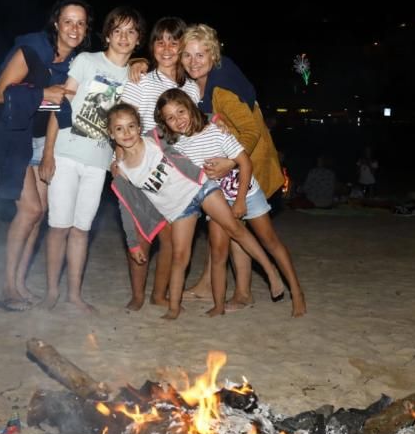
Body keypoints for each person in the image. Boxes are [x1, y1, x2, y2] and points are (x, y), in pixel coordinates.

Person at [107, 103, 286, 320]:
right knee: (180, 257)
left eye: (131, 126)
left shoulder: (154, 137)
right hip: (179, 209)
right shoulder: (120, 170)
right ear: (111, 133)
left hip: (200, 187)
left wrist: (216, 117)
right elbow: (126, 208)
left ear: (139, 127)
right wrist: (133, 243)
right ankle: (173, 308)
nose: (126, 133)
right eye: (119, 129)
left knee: (235, 229)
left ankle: (270, 271)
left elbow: (188, 120)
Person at [156, 89, 305, 317]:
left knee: (270, 241)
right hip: (216, 199)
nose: (178, 120)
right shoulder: (178, 145)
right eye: (170, 117)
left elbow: (245, 164)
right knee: (217, 252)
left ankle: (296, 292)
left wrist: (241, 201)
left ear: (190, 108)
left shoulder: (215, 131)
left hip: (245, 192)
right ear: (165, 122)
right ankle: (218, 304)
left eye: (181, 112)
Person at [0, 0, 92, 311]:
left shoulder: (75, 63)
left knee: (40, 212)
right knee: (30, 210)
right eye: (68, 21)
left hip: (41, 139)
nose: (74, 28)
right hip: (13, 135)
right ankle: (7, 286)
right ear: (57, 24)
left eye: (81, 23)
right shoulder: (32, 50)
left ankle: (20, 283)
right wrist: (42, 92)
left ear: (86, 29)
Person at [39, 6, 144, 313]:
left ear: (138, 39)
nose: (123, 37)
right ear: (107, 34)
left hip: (98, 162)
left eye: (131, 32)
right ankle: (51, 293)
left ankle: (74, 294)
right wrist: (48, 153)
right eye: (118, 30)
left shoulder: (136, 78)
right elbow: (61, 105)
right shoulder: (86, 61)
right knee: (58, 226)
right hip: (66, 154)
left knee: (81, 229)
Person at [180, 24, 284, 307]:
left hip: (246, 162)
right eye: (187, 55)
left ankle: (243, 293)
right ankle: (209, 285)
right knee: (224, 226)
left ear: (213, 55)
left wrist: (230, 162)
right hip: (230, 163)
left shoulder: (223, 84)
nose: (193, 61)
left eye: (200, 55)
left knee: (233, 226)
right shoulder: (198, 84)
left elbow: (250, 131)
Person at [118, 17, 200, 310]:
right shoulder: (140, 78)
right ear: (152, 46)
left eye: (173, 41)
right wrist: (120, 159)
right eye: (159, 40)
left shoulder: (191, 88)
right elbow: (122, 117)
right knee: (141, 234)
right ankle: (138, 295)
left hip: (174, 173)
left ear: (182, 46)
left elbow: (195, 127)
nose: (166, 48)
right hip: (139, 168)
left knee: (168, 236)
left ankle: (158, 294)